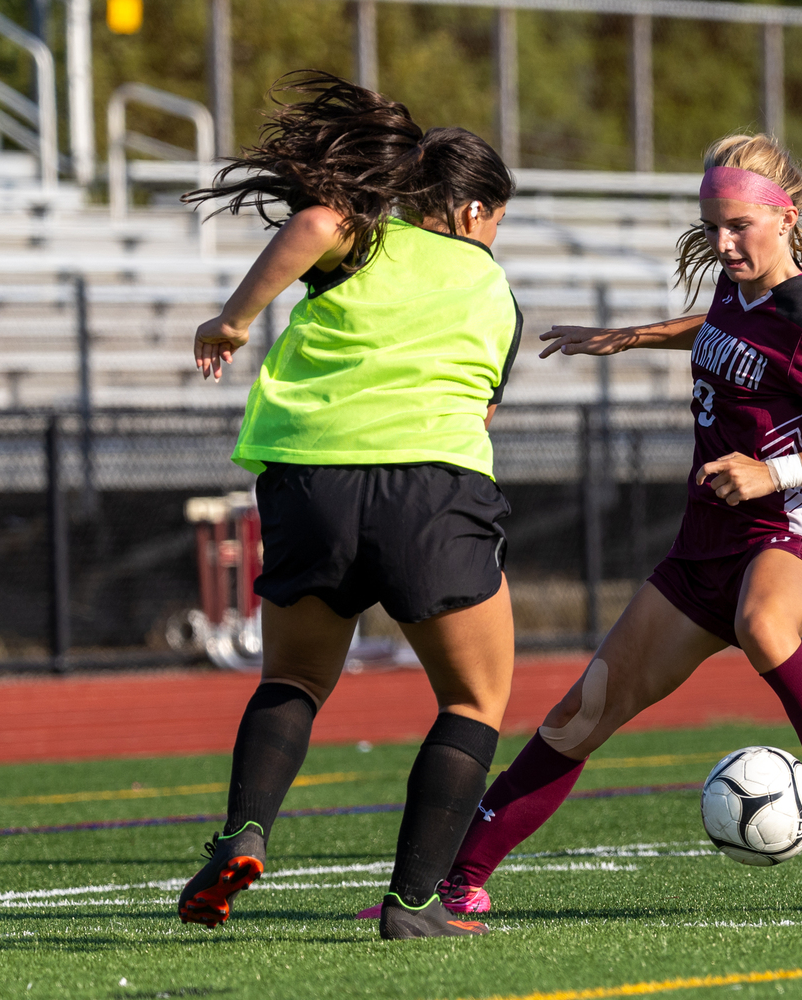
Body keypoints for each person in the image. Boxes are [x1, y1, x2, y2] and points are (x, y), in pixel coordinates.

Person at [412, 133, 802, 915]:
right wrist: (635, 337)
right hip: (702, 546)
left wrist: (771, 473)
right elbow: (722, 325)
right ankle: (458, 886)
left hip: (787, 526)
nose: (722, 244)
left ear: (784, 220)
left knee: (763, 623)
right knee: (580, 716)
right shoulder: (738, 287)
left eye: (738, 228)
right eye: (712, 226)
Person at [176, 72, 522, 940]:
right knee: (474, 700)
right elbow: (480, 409)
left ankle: (243, 831)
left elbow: (317, 220)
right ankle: (413, 905)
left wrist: (232, 319)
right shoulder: (493, 289)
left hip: (309, 479)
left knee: (292, 678)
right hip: (430, 490)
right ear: (475, 212)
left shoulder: (363, 237)